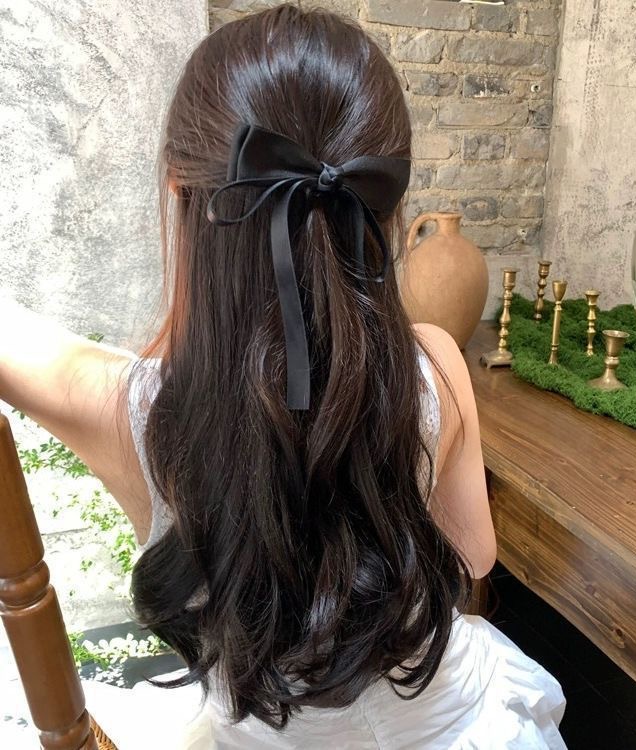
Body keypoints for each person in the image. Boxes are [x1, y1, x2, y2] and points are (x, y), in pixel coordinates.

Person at [0, 5, 565, 748]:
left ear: (178, 190)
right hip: (459, 723)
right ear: (388, 206)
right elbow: (475, 557)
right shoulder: (435, 363)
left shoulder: (132, 411)